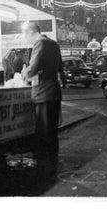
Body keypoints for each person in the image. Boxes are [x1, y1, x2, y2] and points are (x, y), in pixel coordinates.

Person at [21, 22, 66, 161]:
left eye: (26, 35)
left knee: (44, 130)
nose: (26, 39)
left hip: (43, 93)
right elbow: (60, 68)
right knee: (52, 131)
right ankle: (52, 158)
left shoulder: (40, 44)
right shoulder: (54, 44)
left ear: (31, 32)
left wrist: (24, 73)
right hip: (53, 91)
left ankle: (44, 162)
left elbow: (32, 68)